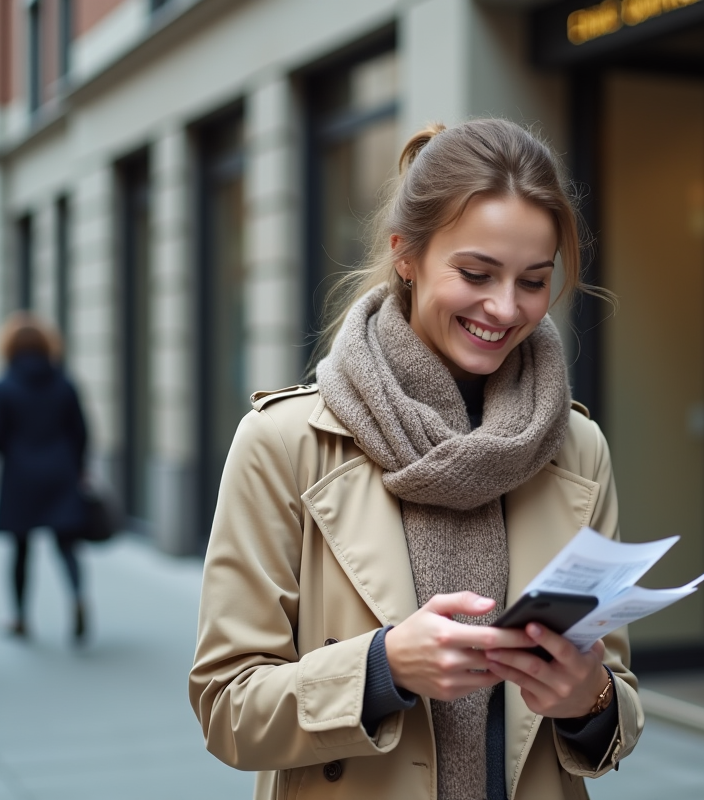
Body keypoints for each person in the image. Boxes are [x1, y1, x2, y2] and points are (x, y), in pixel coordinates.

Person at [190, 119, 642, 800]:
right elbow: (226, 707)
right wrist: (382, 668)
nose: (504, 307)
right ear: (406, 254)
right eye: (476, 273)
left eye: (533, 280)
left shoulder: (578, 449)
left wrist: (591, 698)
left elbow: (617, 696)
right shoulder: (285, 442)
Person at [0, 313, 90, 643]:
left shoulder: (3, 386)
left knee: (20, 549)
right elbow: (81, 431)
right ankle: (77, 598)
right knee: (67, 545)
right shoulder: (64, 383)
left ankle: (19, 617)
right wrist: (78, 467)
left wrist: (13, 450)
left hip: (20, 475)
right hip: (60, 471)